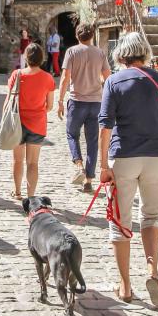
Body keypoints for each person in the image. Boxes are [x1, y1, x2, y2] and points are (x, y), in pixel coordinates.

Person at [98, 32, 158, 305]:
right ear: (144, 53)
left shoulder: (114, 81)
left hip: (124, 155)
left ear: (120, 55)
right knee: (151, 217)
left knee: (120, 222)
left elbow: (105, 126)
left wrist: (103, 165)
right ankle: (153, 272)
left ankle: (125, 286)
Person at [57, 23, 111, 193]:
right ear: (92, 35)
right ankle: (88, 180)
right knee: (93, 141)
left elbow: (65, 77)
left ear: (77, 35)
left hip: (77, 101)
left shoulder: (72, 52)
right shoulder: (100, 53)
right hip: (96, 102)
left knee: (72, 134)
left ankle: (79, 165)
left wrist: (59, 100)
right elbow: (107, 76)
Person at [4, 42, 55, 201]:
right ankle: (31, 198)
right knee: (33, 163)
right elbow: (50, 106)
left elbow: (8, 100)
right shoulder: (48, 78)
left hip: (17, 123)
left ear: (25, 57)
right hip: (37, 124)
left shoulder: (17, 75)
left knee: (17, 160)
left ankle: (17, 191)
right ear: (42, 58)